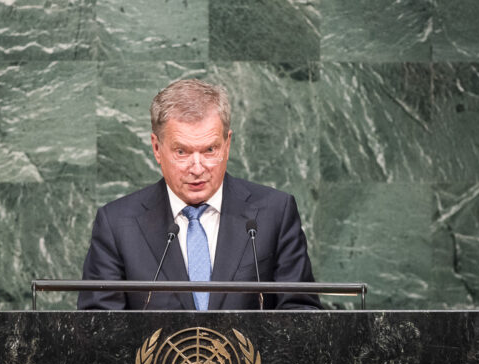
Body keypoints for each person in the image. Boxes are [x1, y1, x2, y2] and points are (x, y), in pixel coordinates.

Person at [78, 79, 321, 310]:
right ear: (156, 148)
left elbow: (300, 314)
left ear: (227, 145)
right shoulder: (117, 225)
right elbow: (99, 329)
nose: (197, 168)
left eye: (209, 150)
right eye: (182, 151)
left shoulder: (274, 213)